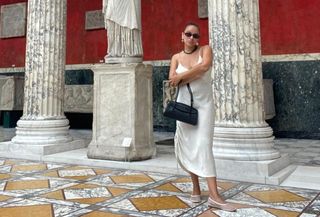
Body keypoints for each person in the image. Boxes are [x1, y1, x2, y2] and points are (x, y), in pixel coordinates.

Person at [169, 22, 236, 212]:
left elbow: (205, 67)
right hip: (183, 107)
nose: (192, 38)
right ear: (182, 35)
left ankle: (214, 196)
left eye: (196, 36)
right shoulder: (175, 57)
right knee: (190, 146)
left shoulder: (206, 50)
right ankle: (196, 189)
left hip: (204, 106)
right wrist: (192, 73)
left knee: (204, 146)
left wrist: (184, 76)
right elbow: (173, 81)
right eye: (189, 34)